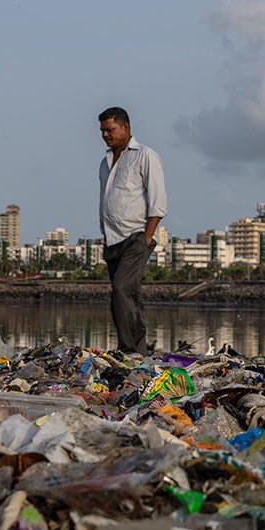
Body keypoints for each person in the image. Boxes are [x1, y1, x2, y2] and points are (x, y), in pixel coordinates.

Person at [97, 106, 167, 354]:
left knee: (121, 289)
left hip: (137, 236)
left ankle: (129, 349)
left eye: (111, 129)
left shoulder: (145, 155)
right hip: (113, 239)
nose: (106, 134)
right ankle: (138, 350)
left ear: (126, 128)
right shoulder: (105, 163)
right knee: (126, 297)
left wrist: (146, 238)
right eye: (103, 130)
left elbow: (158, 203)